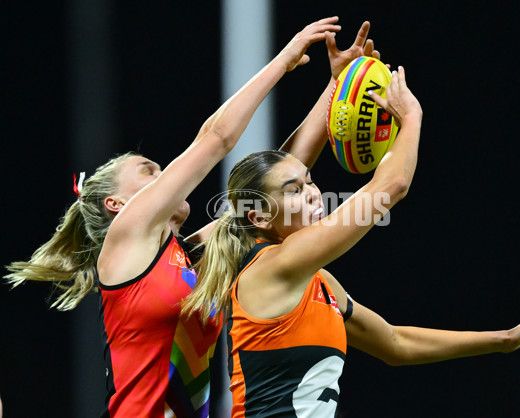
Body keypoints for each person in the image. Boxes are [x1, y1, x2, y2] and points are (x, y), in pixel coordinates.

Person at [4, 16, 381, 418]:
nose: (165, 174)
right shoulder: (125, 242)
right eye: (149, 172)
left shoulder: (191, 256)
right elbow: (216, 139)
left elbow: (275, 181)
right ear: (117, 205)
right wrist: (284, 59)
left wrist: (339, 90)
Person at [182, 65, 520, 417]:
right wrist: (411, 117)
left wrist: (503, 340)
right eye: (295, 190)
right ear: (260, 217)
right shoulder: (274, 267)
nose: (315, 193)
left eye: (311, 181)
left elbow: (394, 342)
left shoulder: (314, 279)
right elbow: (392, 186)